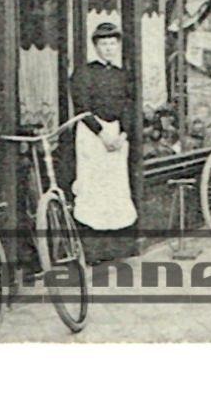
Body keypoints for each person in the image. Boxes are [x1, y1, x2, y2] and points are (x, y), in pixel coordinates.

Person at [69, 21, 137, 262]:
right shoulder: (84, 73)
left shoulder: (122, 74)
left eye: (112, 44)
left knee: (115, 188)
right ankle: (92, 252)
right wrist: (101, 133)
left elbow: (129, 106)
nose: (108, 48)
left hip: (116, 136)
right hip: (92, 135)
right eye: (103, 44)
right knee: (93, 187)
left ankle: (115, 249)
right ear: (96, 47)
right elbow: (82, 107)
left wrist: (122, 134)